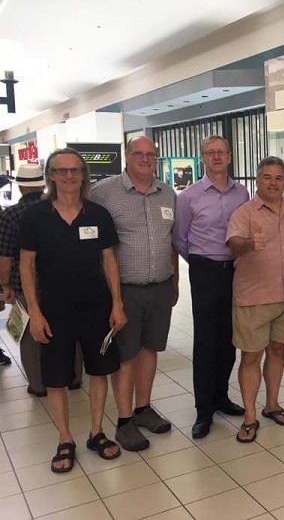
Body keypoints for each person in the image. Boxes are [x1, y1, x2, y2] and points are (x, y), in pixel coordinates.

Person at [19, 148, 126, 473]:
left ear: (83, 175)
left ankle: (96, 432)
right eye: (61, 170)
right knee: (56, 378)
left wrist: (117, 303)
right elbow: (26, 266)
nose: (69, 176)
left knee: (99, 371)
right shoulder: (35, 216)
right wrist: (34, 313)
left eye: (75, 170)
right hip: (54, 310)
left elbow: (109, 261)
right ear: (50, 176)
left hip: (97, 307)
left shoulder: (98, 214)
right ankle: (65, 438)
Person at [92, 136, 179, 452]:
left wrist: (175, 281)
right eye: (138, 153)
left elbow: (172, 241)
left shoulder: (167, 193)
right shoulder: (103, 192)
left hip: (160, 287)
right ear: (126, 156)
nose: (145, 159)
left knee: (150, 349)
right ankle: (125, 420)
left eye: (151, 154)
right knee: (126, 356)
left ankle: (143, 409)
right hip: (124, 290)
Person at [173, 135, 249, 439]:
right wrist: (199, 260)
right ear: (203, 158)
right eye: (210, 152)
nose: (216, 157)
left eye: (221, 152)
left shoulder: (242, 193)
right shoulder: (188, 196)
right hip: (204, 271)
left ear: (229, 156)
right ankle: (203, 410)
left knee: (230, 337)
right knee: (205, 341)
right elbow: (179, 238)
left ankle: (221, 396)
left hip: (235, 271)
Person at [226, 156, 284, 443]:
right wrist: (249, 243)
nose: (273, 183)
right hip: (254, 298)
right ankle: (249, 416)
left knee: (278, 351)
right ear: (257, 180)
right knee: (250, 357)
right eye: (267, 177)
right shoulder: (244, 213)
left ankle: (272, 405)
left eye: (278, 178)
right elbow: (233, 244)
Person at [0, 164, 84, 393]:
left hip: (23, 284)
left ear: (20, 187)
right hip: (62, 281)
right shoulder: (58, 208)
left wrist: (5, 285)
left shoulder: (10, 215)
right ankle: (74, 377)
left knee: (31, 334)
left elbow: (5, 256)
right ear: (45, 184)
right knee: (70, 328)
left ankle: (38, 385)